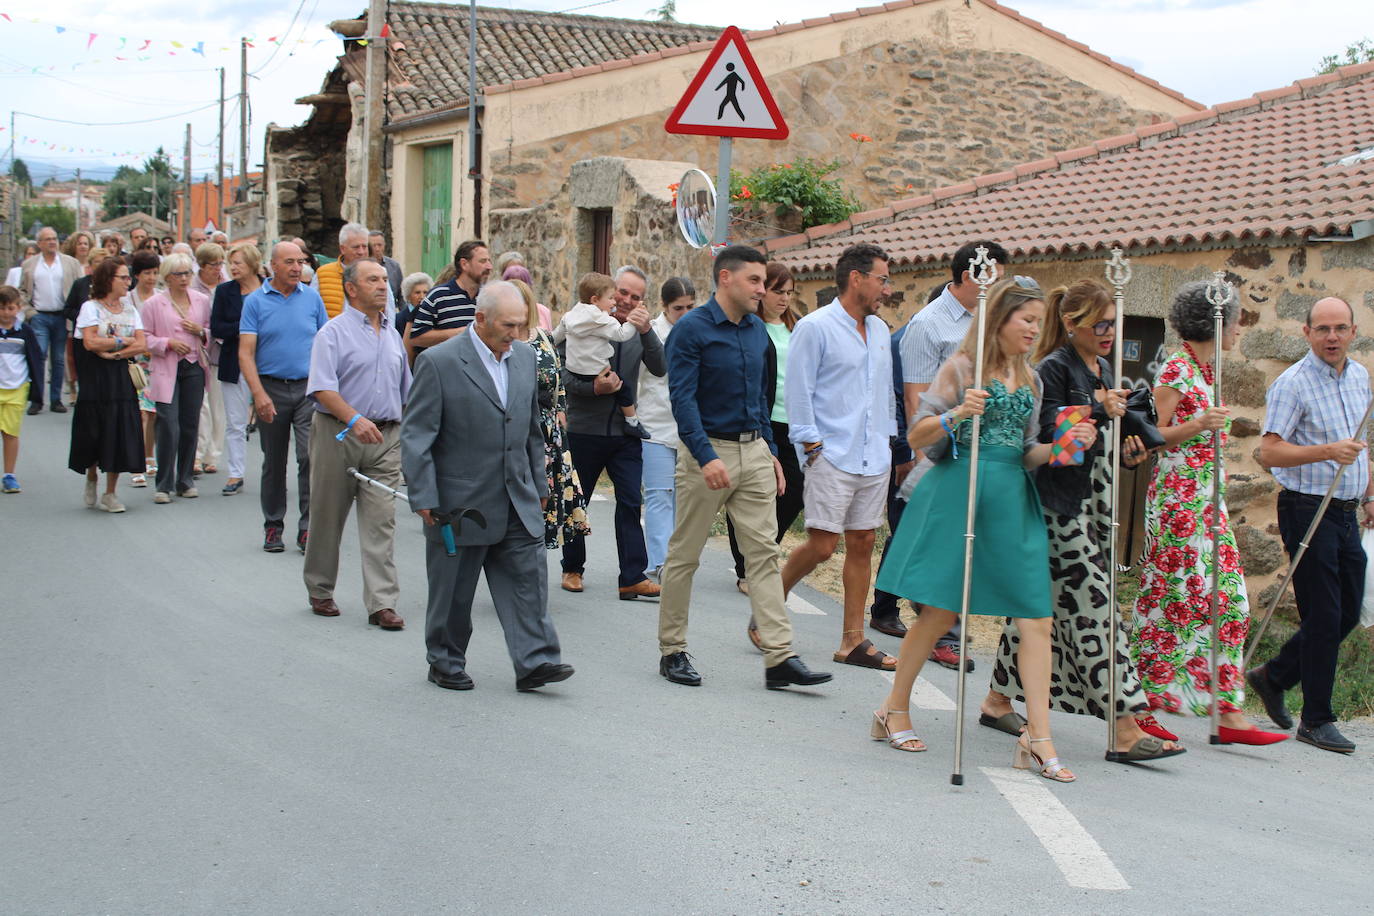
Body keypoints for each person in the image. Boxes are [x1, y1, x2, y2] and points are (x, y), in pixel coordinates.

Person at [873, 278, 1093, 782]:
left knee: (1036, 616)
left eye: (1040, 322)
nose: (1035, 331)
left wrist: (1067, 446)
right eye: (1027, 320)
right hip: (961, 494)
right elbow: (918, 436)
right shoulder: (961, 368)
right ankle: (894, 708)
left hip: (1013, 501)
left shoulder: (1033, 380)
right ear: (1000, 320)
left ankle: (1038, 738)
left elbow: (1029, 452)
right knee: (940, 611)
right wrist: (956, 413)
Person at [991, 279, 1186, 763]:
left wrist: (1130, 452)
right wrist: (1099, 409)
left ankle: (997, 700)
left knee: (1041, 609)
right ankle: (1124, 728)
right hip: (1059, 506)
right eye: (1100, 323)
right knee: (1097, 606)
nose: (1109, 332)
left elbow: (1100, 445)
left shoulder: (1103, 368)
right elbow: (1046, 432)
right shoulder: (1053, 368)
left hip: (1094, 500)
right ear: (1073, 323)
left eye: (1113, 324)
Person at [657, 245, 832, 691]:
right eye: (754, 280)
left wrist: (770, 452)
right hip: (706, 452)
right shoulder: (691, 331)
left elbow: (761, 398)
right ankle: (672, 650)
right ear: (726, 279)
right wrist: (705, 455)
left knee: (764, 556)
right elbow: (683, 400)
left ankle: (779, 656)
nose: (762, 288)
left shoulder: (757, 332)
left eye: (763, 281)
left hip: (754, 451)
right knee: (684, 555)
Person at [1130, 281, 1286, 747]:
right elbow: (1154, 436)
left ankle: (1227, 710)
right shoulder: (1177, 368)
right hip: (1180, 501)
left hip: (1205, 500)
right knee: (1172, 602)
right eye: (1236, 319)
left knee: (1229, 601)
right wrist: (1198, 425)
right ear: (1215, 322)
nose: (1240, 328)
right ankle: (1143, 705)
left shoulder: (1204, 368)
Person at [402, 280, 573, 692]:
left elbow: (531, 428)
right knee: (454, 592)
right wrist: (424, 496)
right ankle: (445, 659)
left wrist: (538, 482)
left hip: (517, 494)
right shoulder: (440, 362)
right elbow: (417, 435)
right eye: (507, 325)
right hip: (459, 502)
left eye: (520, 325)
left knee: (527, 580)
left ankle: (536, 661)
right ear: (480, 319)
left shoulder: (524, 359)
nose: (515, 333)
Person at [1248, 296, 1372, 755]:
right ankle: (1316, 720)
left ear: (1353, 330)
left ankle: (1273, 676)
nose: (1332, 337)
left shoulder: (1360, 377)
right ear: (1307, 333)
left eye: (1340, 328)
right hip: (1307, 507)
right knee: (1322, 615)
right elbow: (1269, 452)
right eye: (1323, 329)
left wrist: (1370, 491)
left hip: (1346, 511)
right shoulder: (1292, 384)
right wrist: (1326, 452)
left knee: (1346, 612)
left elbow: (1361, 441)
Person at [894, 241, 1010, 671]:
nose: (998, 286)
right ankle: (941, 634)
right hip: (943, 450)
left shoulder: (995, 323)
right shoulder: (929, 325)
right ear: (968, 276)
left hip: (987, 454)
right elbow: (916, 398)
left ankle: (935, 625)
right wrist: (925, 458)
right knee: (935, 544)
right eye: (993, 276)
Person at [781, 243, 897, 671]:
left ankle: (853, 640)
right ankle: (770, 607)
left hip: (873, 454)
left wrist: (889, 440)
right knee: (823, 545)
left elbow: (883, 392)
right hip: (830, 451)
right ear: (856, 278)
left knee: (864, 541)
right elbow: (799, 390)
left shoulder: (882, 332)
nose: (887, 288)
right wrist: (811, 446)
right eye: (882, 279)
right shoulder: (815, 327)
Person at [302, 259, 410, 629]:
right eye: (373, 280)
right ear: (351, 288)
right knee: (328, 514)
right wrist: (354, 418)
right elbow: (321, 387)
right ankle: (320, 587)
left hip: (386, 438)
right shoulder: (332, 333)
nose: (383, 286)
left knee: (382, 520)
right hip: (339, 434)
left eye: (384, 279)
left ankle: (382, 603)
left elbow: (405, 390)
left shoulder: (393, 335)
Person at [558, 265, 664, 600]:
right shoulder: (582, 321)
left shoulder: (637, 330)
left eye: (637, 297)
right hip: (584, 430)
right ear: (608, 293)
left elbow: (661, 367)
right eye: (623, 293)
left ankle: (632, 577)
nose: (628, 301)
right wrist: (594, 388)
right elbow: (561, 373)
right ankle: (572, 568)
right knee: (577, 502)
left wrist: (646, 331)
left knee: (631, 502)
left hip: (625, 433)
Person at [730, 264, 806, 645]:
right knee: (761, 491)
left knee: (795, 491)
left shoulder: (798, 328)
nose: (783, 298)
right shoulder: (752, 328)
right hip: (764, 418)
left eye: (789, 292)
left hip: (794, 420)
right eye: (778, 290)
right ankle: (750, 565)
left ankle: (757, 552)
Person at [238, 241, 329, 553]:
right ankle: (273, 526)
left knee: (309, 457)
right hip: (271, 388)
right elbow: (245, 353)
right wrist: (258, 394)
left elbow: (325, 345)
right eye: (289, 262)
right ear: (273, 265)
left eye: (300, 262)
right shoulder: (255, 302)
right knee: (274, 461)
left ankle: (307, 529)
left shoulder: (312, 298)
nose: (296, 268)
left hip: (307, 390)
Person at [514, 278, 590, 550]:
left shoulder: (544, 337)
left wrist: (560, 414)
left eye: (521, 303)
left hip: (548, 432)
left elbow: (558, 380)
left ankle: (534, 560)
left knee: (548, 502)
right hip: (517, 428)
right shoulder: (502, 341)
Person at [69, 257, 146, 513]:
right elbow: (89, 342)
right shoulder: (91, 308)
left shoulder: (130, 310)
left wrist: (114, 351)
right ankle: (92, 474)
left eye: (128, 277)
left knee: (119, 430)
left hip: (120, 376)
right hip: (95, 378)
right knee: (94, 429)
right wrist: (121, 342)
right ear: (107, 279)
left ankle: (111, 492)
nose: (128, 282)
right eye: (123, 277)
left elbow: (141, 344)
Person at [141, 253, 210, 502]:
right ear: (167, 277)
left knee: (190, 423)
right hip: (166, 368)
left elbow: (211, 333)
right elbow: (145, 337)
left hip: (193, 366)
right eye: (178, 274)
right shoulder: (153, 304)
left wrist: (201, 331)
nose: (184, 279)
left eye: (187, 273)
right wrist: (167, 342)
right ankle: (164, 484)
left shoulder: (202, 300)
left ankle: (185, 479)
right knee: (168, 424)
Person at [639, 276, 696, 577]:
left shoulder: (700, 332)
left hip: (689, 432)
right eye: (678, 308)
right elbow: (637, 380)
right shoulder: (651, 332)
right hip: (655, 428)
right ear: (664, 306)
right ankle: (659, 565)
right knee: (659, 495)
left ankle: (675, 562)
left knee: (681, 501)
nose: (685, 314)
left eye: (690, 307)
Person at [555, 272, 649, 439]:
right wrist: (633, 321)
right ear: (595, 300)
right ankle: (632, 422)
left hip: (575, 370)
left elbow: (555, 338)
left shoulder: (569, 316)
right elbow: (622, 335)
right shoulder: (603, 320)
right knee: (624, 388)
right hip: (597, 372)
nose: (614, 302)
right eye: (611, 297)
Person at [212, 242, 263, 496]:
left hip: (267, 362)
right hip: (234, 361)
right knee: (235, 421)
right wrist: (247, 325)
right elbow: (217, 327)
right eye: (230, 263)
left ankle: (272, 471)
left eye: (238, 263)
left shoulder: (269, 289)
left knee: (273, 423)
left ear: (253, 264)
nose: (233, 268)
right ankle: (235, 473)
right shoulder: (224, 292)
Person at [18, 227, 82, 414]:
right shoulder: (30, 264)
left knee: (59, 359)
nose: (52, 242)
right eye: (47, 239)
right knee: (39, 356)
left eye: (54, 238)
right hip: (40, 316)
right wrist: (30, 312)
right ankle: (37, 400)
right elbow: (22, 291)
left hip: (62, 316)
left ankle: (56, 400)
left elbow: (78, 289)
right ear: (39, 243)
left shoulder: (70, 263)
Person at [405, 239, 491, 357]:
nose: (489, 266)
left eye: (489, 261)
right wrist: (462, 333)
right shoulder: (438, 296)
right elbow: (416, 338)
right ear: (464, 264)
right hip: (447, 372)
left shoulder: (489, 298)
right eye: (483, 261)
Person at [121, 250, 162, 487]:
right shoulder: (128, 300)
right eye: (147, 273)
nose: (152, 277)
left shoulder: (160, 297)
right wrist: (139, 345)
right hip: (134, 363)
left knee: (153, 414)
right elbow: (124, 330)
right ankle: (135, 463)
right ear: (137, 274)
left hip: (156, 363)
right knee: (140, 414)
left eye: (155, 272)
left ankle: (149, 456)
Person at [0, 285, 42, 493]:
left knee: (10, 432)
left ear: (18, 308)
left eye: (10, 308)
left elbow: (35, 359)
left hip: (17, 386)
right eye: (2, 308)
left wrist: (37, 390)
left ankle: (9, 474)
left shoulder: (25, 331)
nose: (6, 313)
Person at [192, 242, 228, 475]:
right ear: (202, 266)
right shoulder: (193, 288)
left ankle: (212, 454)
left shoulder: (225, 286)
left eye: (220, 264)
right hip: (198, 352)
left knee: (218, 406)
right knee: (201, 406)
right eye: (214, 265)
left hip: (220, 353)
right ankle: (196, 454)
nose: (218, 269)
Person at [316, 223, 377, 319]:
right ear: (342, 249)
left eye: (364, 247)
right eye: (356, 247)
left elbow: (388, 314)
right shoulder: (323, 274)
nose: (361, 252)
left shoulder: (379, 274)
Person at [501, 264, 553, 331]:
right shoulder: (500, 311)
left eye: (522, 282)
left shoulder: (543, 311)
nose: (518, 286)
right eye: (512, 283)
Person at [367, 230, 404, 304]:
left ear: (384, 245)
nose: (377, 249)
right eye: (373, 246)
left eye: (379, 245)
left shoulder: (394, 266)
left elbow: (401, 295)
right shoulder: (362, 267)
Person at [397, 272, 432, 341]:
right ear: (408, 295)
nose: (422, 297)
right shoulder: (399, 319)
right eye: (417, 293)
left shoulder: (433, 316)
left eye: (425, 292)